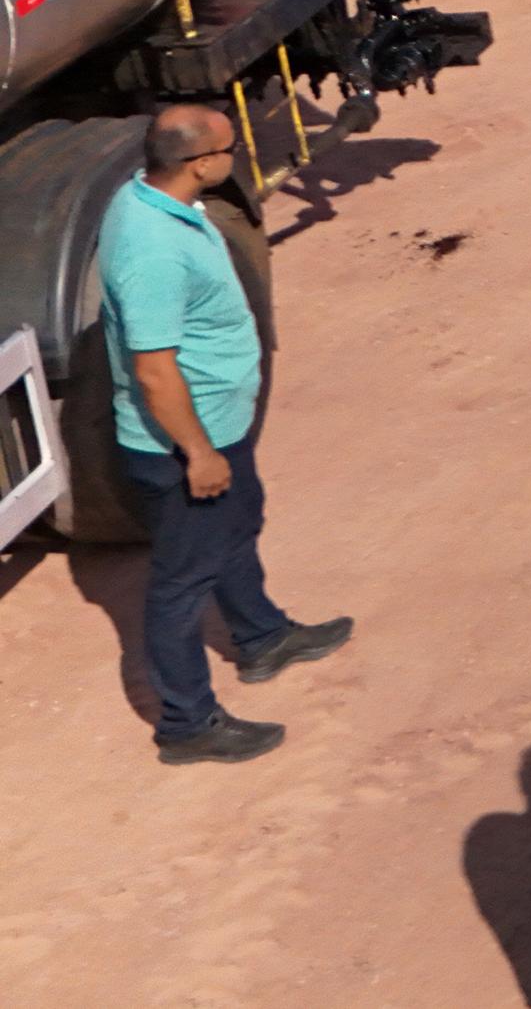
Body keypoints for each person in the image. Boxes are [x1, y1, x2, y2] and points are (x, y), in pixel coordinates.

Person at [103, 104, 349, 762]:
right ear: (200, 163)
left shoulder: (161, 204)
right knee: (182, 585)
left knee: (237, 526)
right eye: (230, 148)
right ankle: (187, 725)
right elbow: (155, 371)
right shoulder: (151, 247)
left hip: (218, 425)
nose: (235, 156)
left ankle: (262, 636)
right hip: (184, 444)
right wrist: (199, 452)